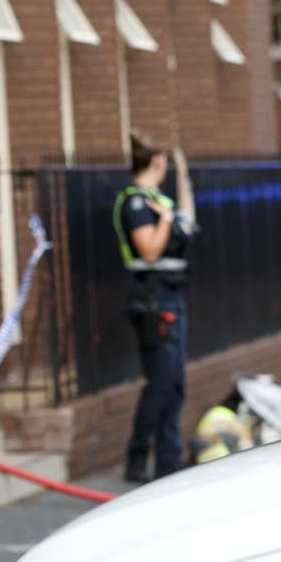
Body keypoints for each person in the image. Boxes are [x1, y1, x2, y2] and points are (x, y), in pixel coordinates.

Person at [113, 133, 195, 482]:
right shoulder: (135, 203)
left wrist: (185, 176)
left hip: (170, 294)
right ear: (157, 161)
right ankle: (137, 457)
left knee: (175, 382)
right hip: (152, 297)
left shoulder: (158, 199)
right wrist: (164, 220)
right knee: (161, 381)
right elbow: (149, 251)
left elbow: (189, 224)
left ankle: (168, 457)